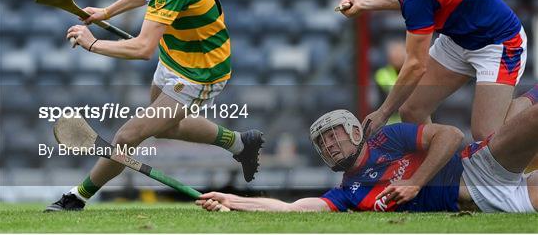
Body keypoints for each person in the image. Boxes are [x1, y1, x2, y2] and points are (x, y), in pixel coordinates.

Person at [45, 0, 264, 211]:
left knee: (127, 135)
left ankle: (77, 197)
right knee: (162, 127)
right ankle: (241, 143)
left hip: (200, 71)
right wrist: (106, 12)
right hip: (175, 55)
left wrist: (92, 44)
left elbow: (142, 49)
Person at [337, 0, 537, 142]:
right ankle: (437, 174)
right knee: (412, 110)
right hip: (458, 37)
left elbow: (415, 65)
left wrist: (382, 113)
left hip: (498, 43)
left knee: (486, 136)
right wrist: (364, 3)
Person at [196, 108, 538, 213]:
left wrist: (415, 183)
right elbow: (291, 209)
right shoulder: (349, 193)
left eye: (333, 135)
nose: (328, 145)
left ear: (356, 132)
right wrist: (232, 200)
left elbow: (450, 135)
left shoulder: (388, 138)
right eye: (322, 143)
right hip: (487, 202)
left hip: (478, 166)